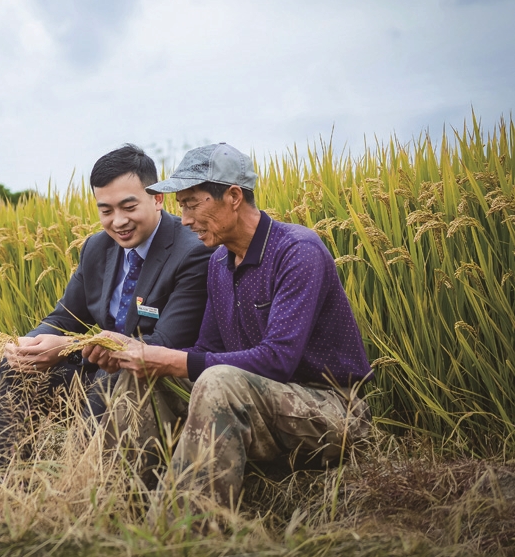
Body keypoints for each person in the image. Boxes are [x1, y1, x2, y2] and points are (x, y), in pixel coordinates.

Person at [85, 143, 372, 509]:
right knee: (140, 375)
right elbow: (206, 350)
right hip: (262, 400)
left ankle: (186, 527)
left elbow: (278, 360)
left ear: (234, 196)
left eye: (192, 204)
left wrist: (169, 359)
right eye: (181, 207)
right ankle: (121, 507)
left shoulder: (297, 251)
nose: (184, 219)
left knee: (217, 381)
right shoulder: (220, 262)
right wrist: (136, 354)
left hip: (331, 409)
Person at [0, 144, 214, 468]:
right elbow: (64, 317)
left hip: (150, 383)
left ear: (157, 198)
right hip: (96, 373)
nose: (118, 221)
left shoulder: (192, 252)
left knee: (113, 378)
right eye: (106, 210)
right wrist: (29, 345)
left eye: (128, 207)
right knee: (8, 366)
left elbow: (164, 343)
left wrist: (68, 348)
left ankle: (87, 481)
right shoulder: (96, 247)